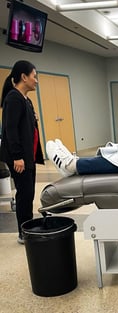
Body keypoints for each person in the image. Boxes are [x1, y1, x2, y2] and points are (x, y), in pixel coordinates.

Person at [0, 60, 44, 244]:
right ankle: (23, 233)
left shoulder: (26, 100)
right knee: (24, 195)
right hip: (19, 158)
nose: (36, 80)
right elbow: (10, 130)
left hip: (29, 156)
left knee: (28, 195)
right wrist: (17, 157)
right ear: (24, 77)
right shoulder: (13, 98)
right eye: (34, 76)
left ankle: (28, 227)